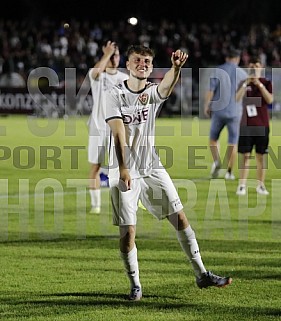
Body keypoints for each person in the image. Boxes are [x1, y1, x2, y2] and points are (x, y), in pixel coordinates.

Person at [105, 45, 232, 301]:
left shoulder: (151, 92)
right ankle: (135, 285)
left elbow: (165, 88)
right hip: (123, 170)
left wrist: (175, 68)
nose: (143, 64)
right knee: (128, 232)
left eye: (148, 61)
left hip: (151, 166)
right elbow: (118, 133)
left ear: (152, 67)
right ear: (127, 65)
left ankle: (201, 274)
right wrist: (124, 168)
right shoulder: (114, 93)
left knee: (180, 218)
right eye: (137, 60)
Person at [88, 40, 128, 213]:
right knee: (95, 166)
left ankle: (123, 204)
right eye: (112, 55)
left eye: (116, 55)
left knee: (120, 166)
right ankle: (96, 205)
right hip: (98, 128)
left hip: (116, 129)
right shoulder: (98, 76)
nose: (114, 59)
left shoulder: (125, 78)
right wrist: (107, 53)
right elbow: (96, 72)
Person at [204, 48, 248, 180]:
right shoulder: (243, 73)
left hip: (219, 111)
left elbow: (211, 90)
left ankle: (217, 161)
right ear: (238, 58)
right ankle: (229, 172)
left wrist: (207, 105)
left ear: (226, 58)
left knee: (213, 139)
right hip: (235, 112)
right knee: (233, 142)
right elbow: (244, 94)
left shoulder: (218, 70)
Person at [235, 56, 273, 196]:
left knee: (261, 156)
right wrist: (246, 84)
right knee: (245, 156)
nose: (254, 68)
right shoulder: (243, 83)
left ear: (261, 68)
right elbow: (237, 98)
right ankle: (242, 185)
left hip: (262, 125)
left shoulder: (266, 82)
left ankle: (260, 185)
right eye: (252, 66)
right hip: (246, 125)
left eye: (257, 66)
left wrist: (259, 84)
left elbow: (269, 100)